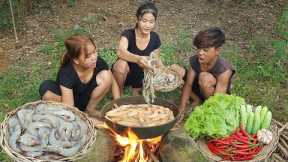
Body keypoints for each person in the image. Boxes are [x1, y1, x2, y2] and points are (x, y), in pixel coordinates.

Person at [112, 2, 184, 96]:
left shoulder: (155, 38)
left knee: (176, 71)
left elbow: (156, 60)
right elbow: (121, 52)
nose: (147, 25)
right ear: (138, 20)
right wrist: (138, 59)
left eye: (151, 22)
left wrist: (164, 72)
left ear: (155, 22)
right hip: (126, 74)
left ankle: (139, 88)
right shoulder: (128, 34)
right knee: (121, 65)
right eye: (144, 21)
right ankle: (119, 93)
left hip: (142, 74)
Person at [39, 35, 120, 118]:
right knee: (47, 91)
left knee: (107, 76)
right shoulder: (67, 74)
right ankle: (83, 114)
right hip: (67, 99)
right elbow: (70, 110)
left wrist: (118, 102)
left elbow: (112, 81)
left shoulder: (97, 62)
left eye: (94, 52)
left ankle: (90, 110)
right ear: (76, 60)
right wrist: (95, 122)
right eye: (88, 56)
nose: (94, 58)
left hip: (85, 97)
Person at [179, 27, 235, 112]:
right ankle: (197, 100)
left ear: (217, 50)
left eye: (205, 50)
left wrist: (208, 114)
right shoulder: (195, 60)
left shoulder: (224, 70)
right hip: (199, 90)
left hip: (214, 97)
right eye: (199, 48)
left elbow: (218, 100)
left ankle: (205, 105)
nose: (200, 53)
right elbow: (188, 84)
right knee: (175, 70)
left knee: (204, 78)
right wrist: (181, 108)